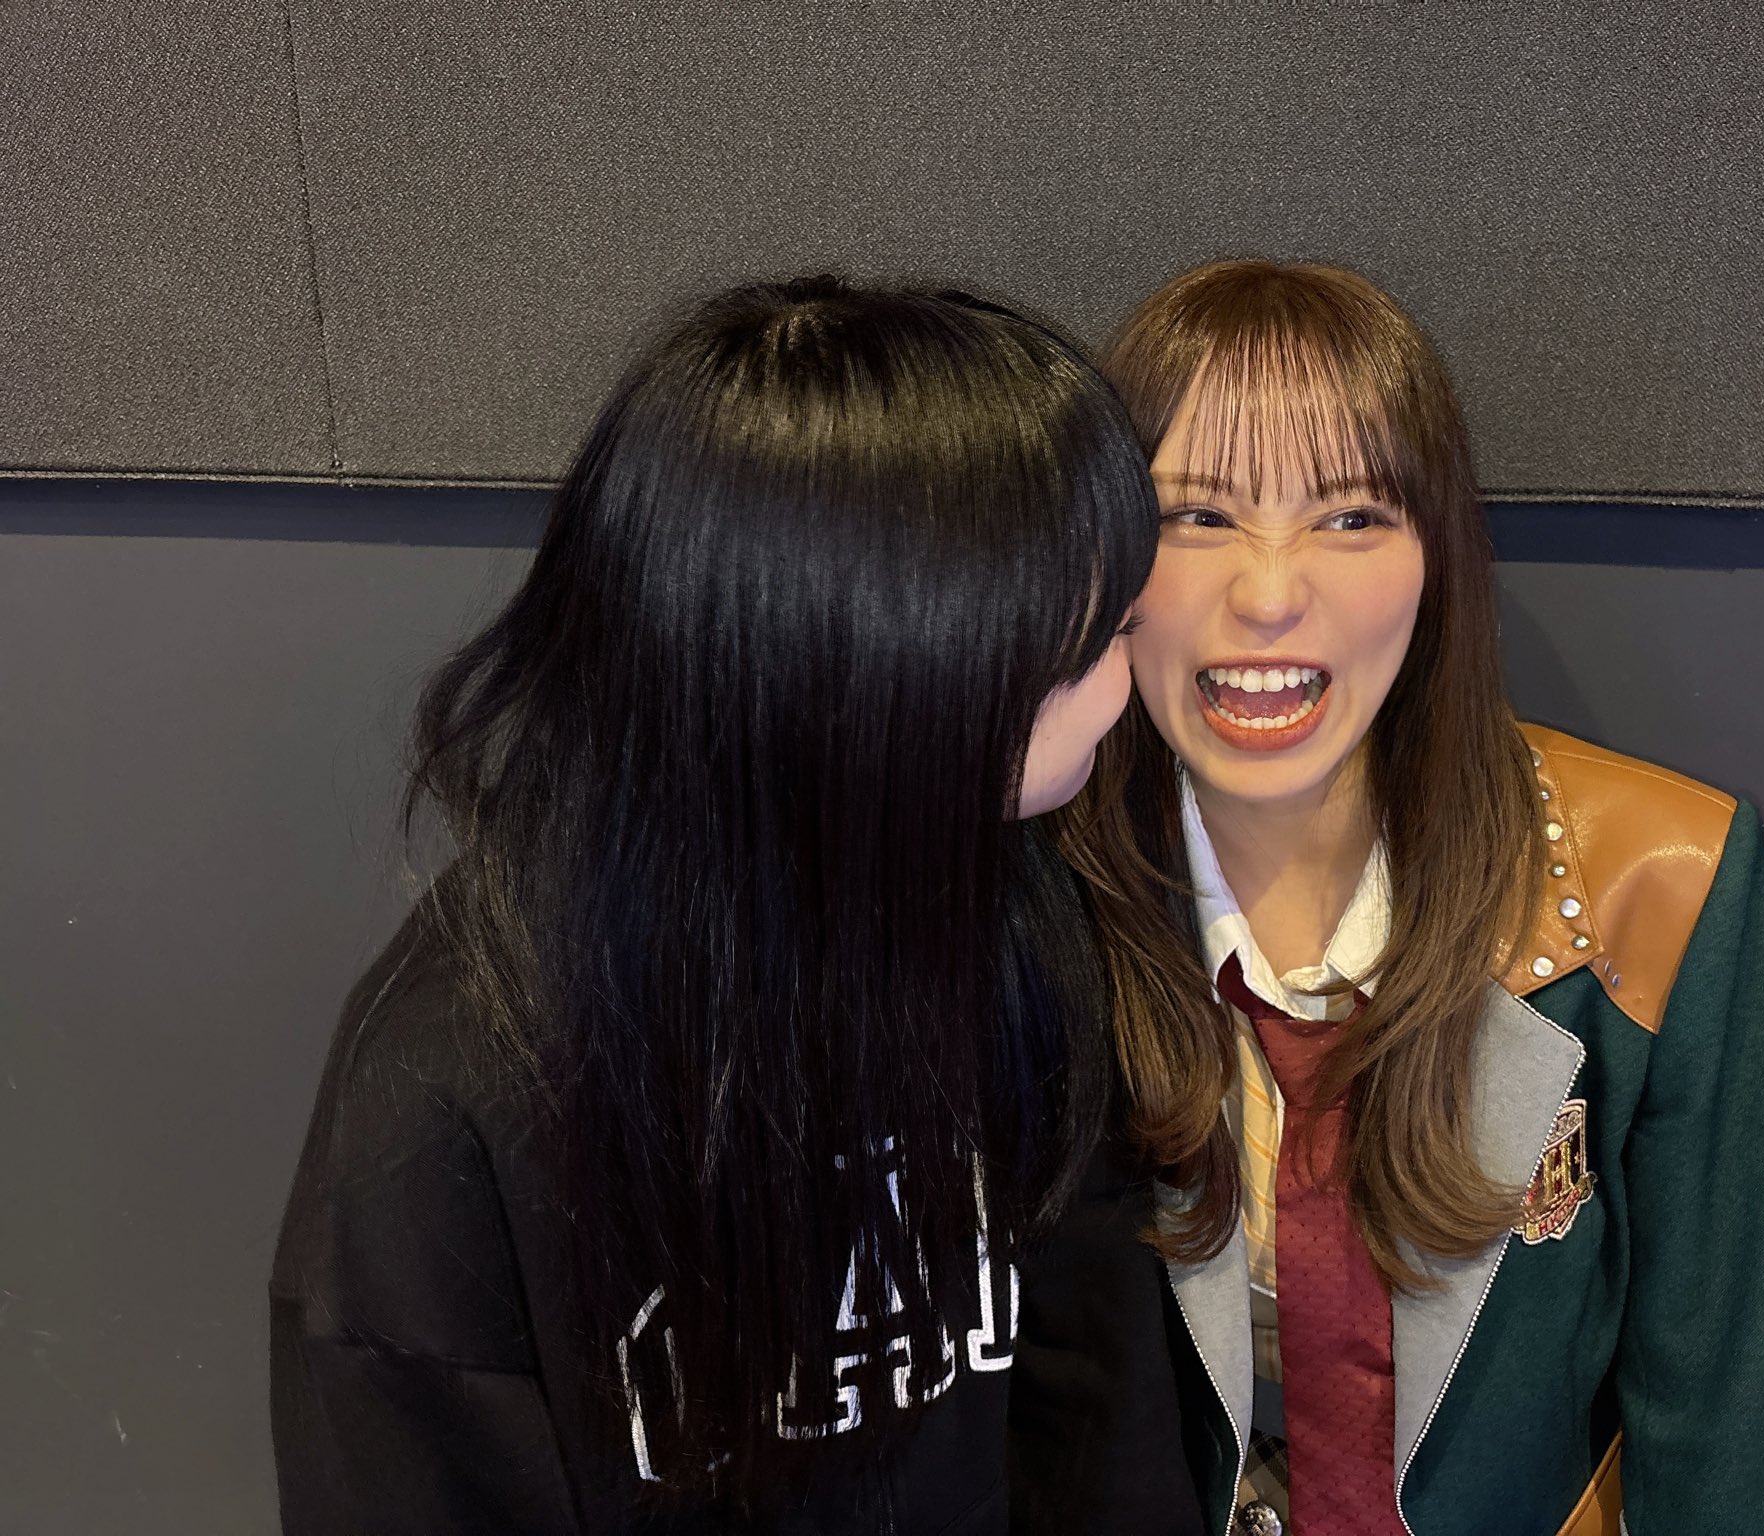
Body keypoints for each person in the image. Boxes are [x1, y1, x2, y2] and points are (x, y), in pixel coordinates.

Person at [270, 277, 1207, 1535]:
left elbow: (1093, 1384)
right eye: (1085, 648)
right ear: (870, 677)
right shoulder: (452, 1098)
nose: (1123, 686)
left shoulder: (1008, 907)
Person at [1060, 259, 1764, 1535]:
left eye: (1350, 517)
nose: (1267, 593)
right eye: (1195, 515)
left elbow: (1726, 1421)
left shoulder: (1653, 879)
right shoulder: (1036, 892)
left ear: (1436, 558)